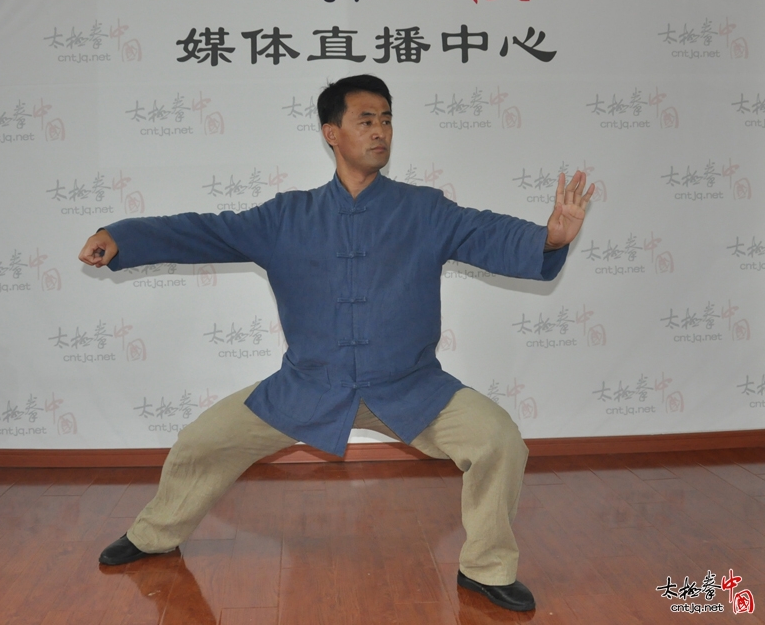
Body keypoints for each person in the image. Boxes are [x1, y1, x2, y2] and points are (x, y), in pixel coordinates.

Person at [78, 74, 593, 612]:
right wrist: (121, 237)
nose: (380, 131)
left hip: (411, 388)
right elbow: (205, 230)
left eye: (387, 120)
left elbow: (485, 232)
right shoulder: (286, 216)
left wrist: (549, 238)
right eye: (366, 120)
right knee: (200, 443)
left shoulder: (425, 209)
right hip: (309, 387)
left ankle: (486, 568)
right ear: (331, 133)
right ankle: (154, 535)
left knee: (498, 440)